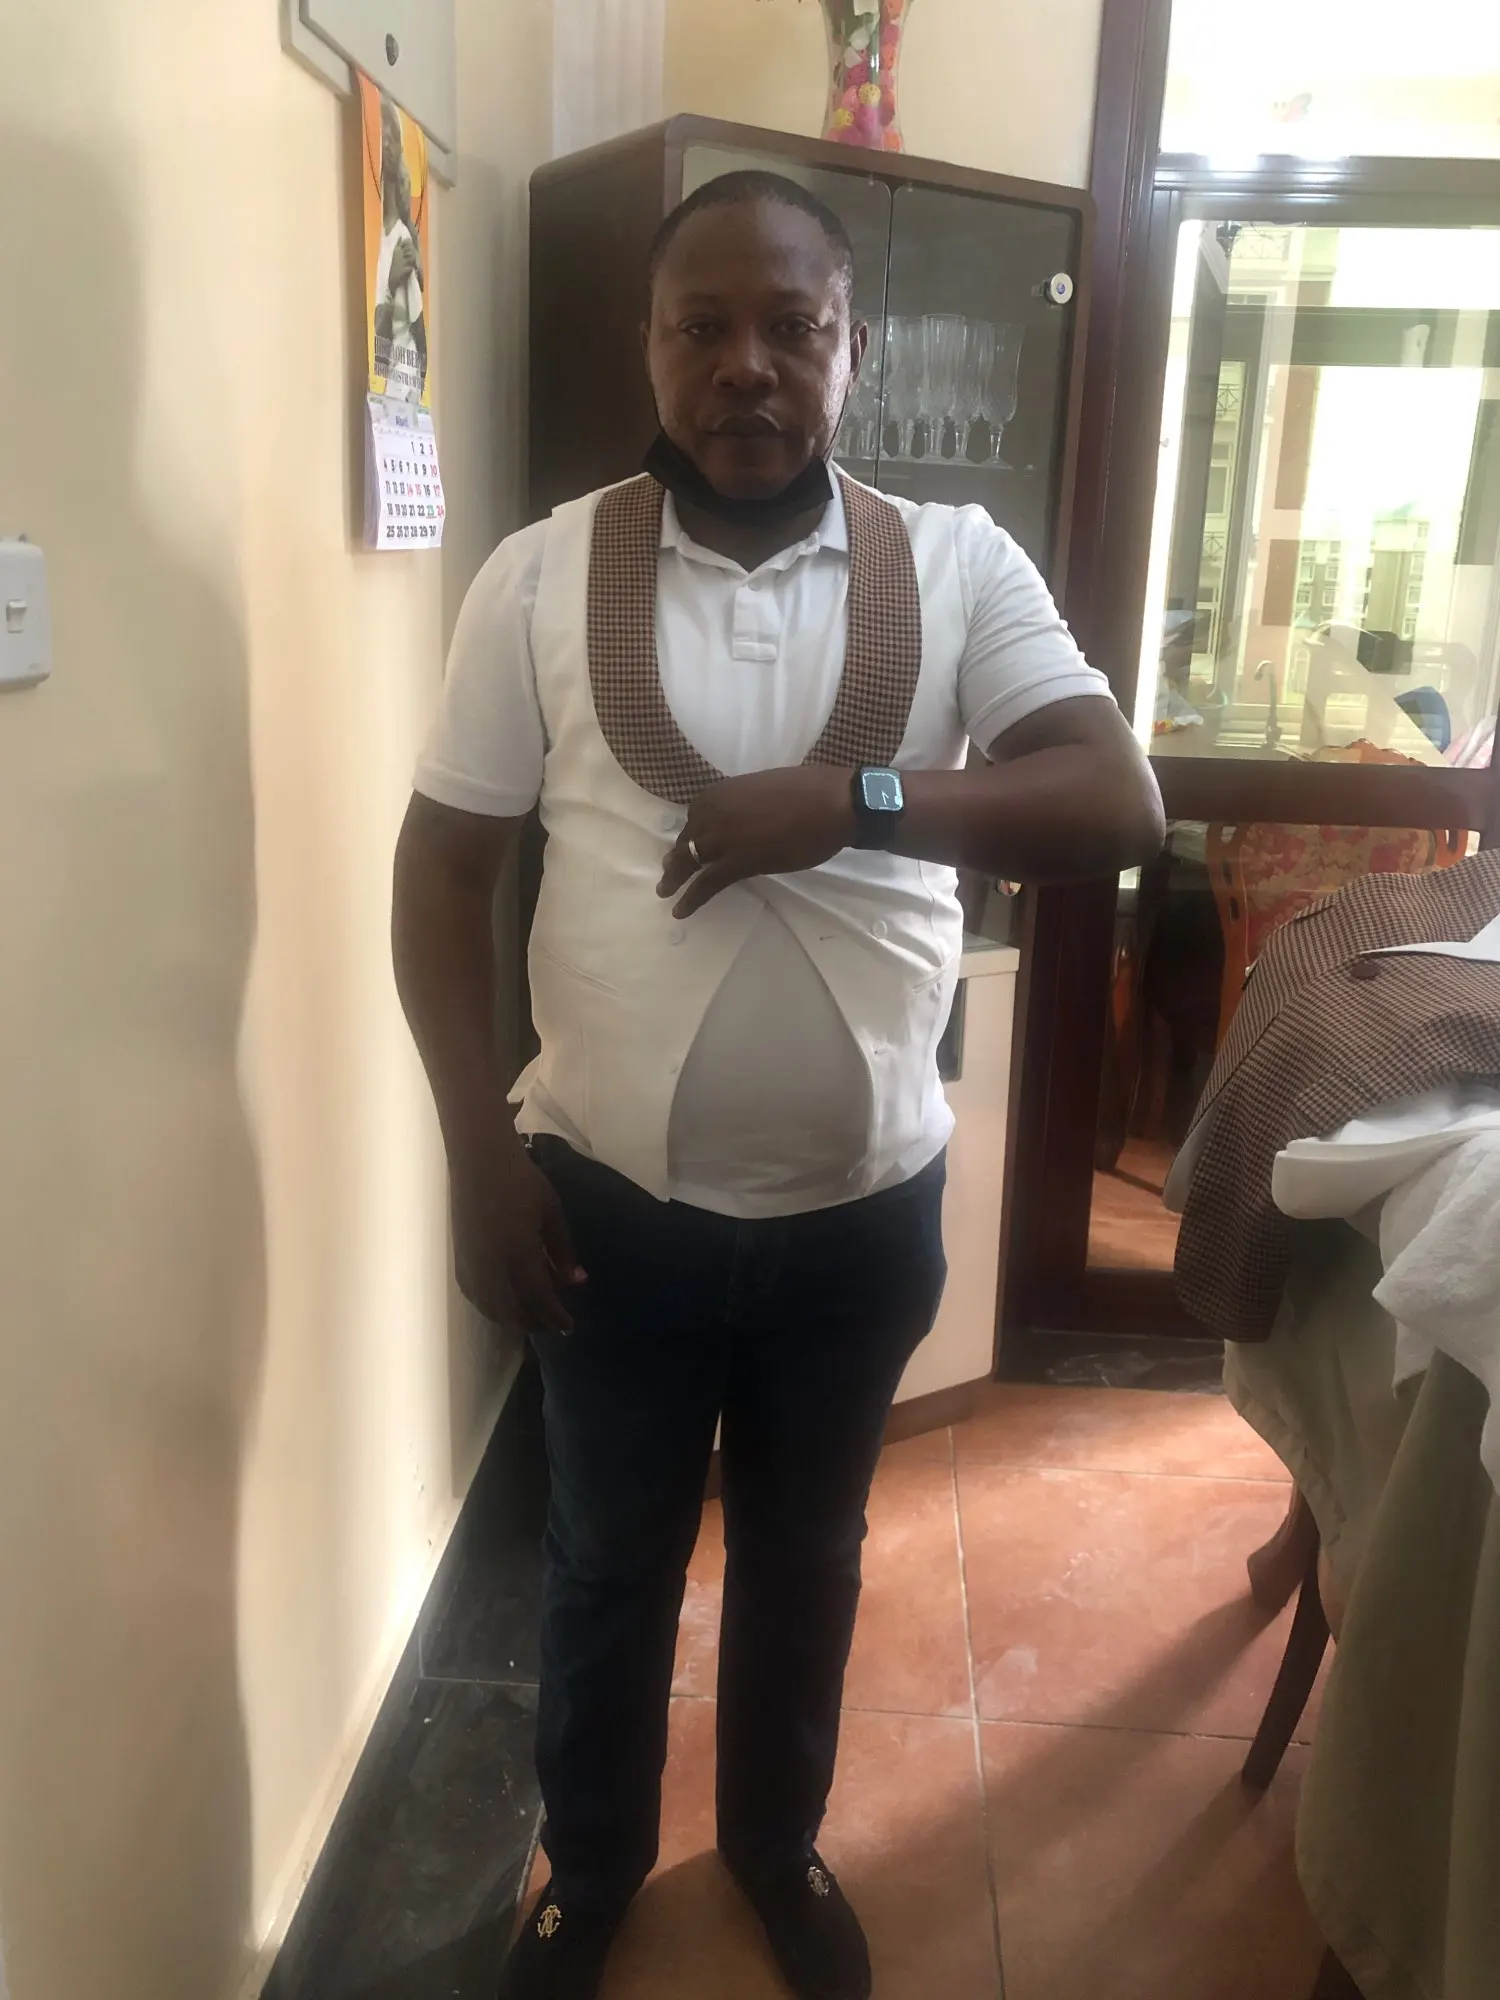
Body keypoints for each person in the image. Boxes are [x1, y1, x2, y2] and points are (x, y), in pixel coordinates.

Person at [392, 171, 1164, 2000]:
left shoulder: (957, 564)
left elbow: (1115, 801)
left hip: (864, 1214)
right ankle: (592, 1865)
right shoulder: (538, 574)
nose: (747, 364)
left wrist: (860, 798)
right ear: (648, 347)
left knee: (810, 1559)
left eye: (791, 327)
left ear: (850, 348)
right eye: (703, 326)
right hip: (604, 1206)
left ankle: (771, 1843)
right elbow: (441, 875)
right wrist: (472, 1161)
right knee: (606, 1565)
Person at [373, 93, 426, 403]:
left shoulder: (401, 238)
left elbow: (418, 333)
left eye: (393, 134)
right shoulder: (377, 237)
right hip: (388, 390)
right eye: (382, 134)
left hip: (403, 390)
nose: (387, 142)